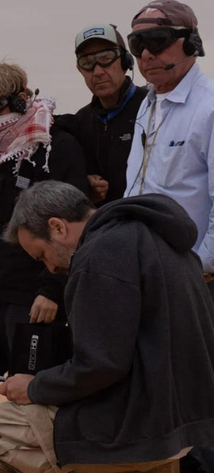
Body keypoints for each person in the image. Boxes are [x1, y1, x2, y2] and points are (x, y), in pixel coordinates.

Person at [0, 180, 214, 473]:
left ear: (57, 227)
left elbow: (100, 365)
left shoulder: (100, 254)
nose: (51, 268)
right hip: (184, 425)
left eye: (42, 255)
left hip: (131, 430)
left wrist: (35, 387)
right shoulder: (158, 238)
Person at [0, 62, 89, 414]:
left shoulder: (55, 145)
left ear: (17, 102)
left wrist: (51, 290)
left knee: (29, 393)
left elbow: (72, 229)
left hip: (31, 295)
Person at [123, 1, 214, 295]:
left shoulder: (209, 107)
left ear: (191, 44)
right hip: (145, 273)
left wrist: (200, 268)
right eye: (137, 45)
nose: (146, 54)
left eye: (158, 41)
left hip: (196, 282)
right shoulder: (145, 106)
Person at [60, 23, 147, 205]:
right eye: (87, 63)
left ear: (125, 61)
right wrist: (85, 184)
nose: (98, 71)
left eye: (106, 58)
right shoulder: (81, 121)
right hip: (103, 226)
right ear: (79, 70)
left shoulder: (152, 108)